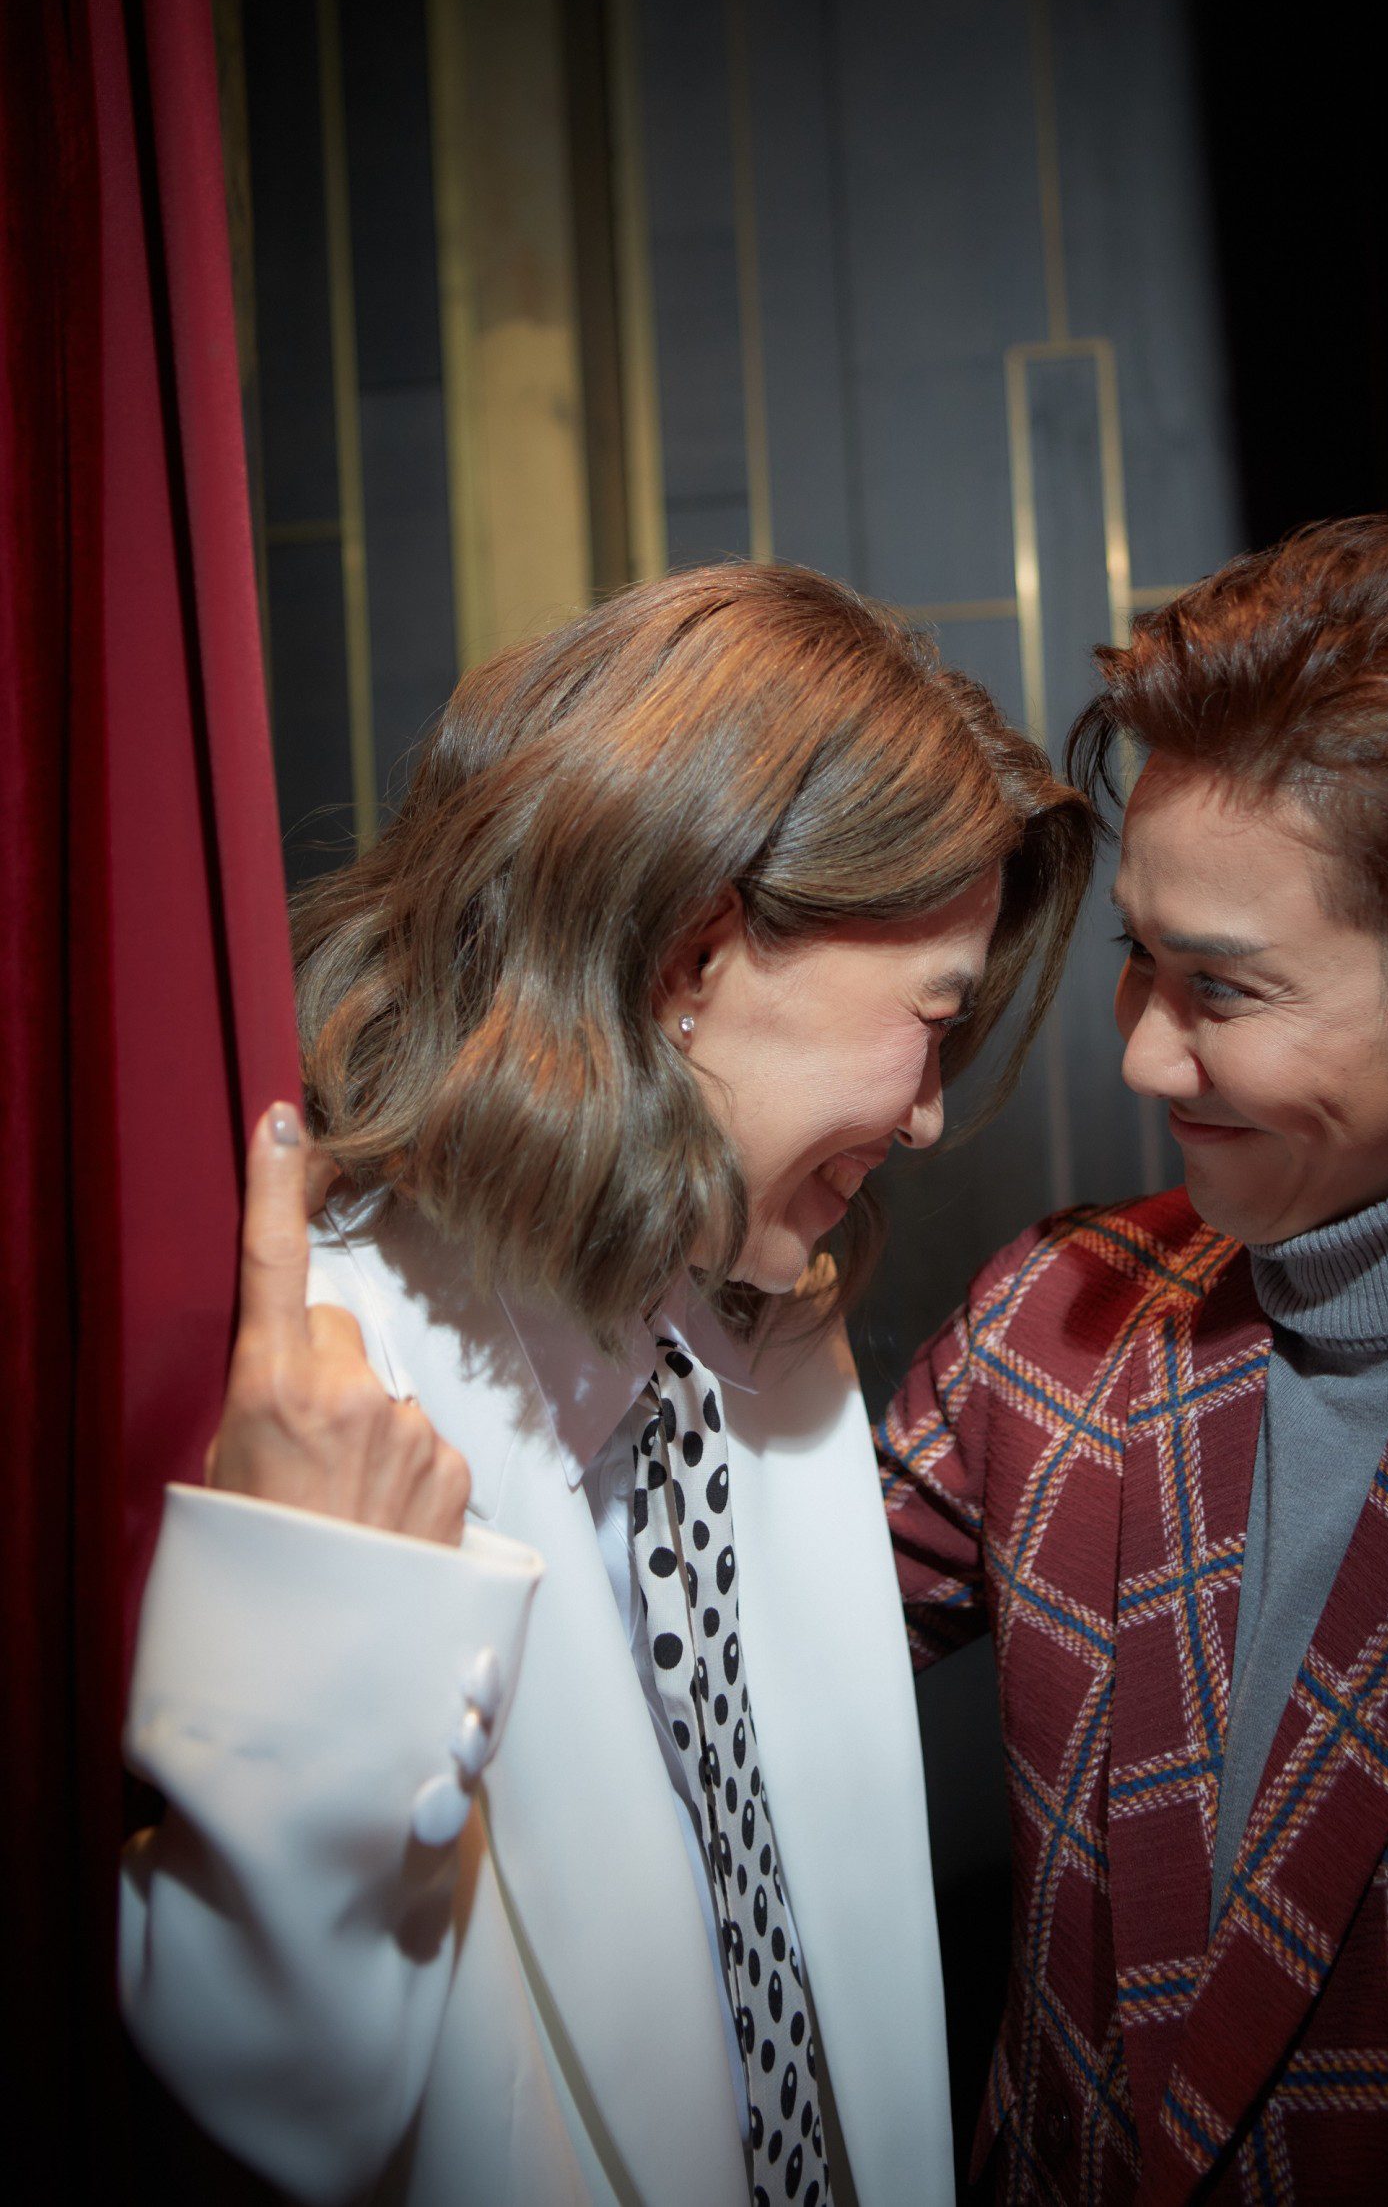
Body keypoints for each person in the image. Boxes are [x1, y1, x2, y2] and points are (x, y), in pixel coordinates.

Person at [119, 561, 1094, 2207]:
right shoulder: (333, 1387)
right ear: (693, 959)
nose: (930, 1113)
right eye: (930, 1021)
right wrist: (319, 1614)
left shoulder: (763, 1335)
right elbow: (272, 2112)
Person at [878, 517, 1388, 2204]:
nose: (1149, 1058)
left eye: (1225, 990)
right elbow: (713, 1643)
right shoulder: (1052, 1319)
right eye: (1137, 965)